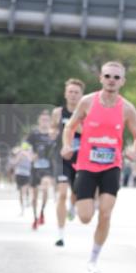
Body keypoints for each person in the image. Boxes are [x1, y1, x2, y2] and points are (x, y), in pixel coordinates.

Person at [61, 60, 136, 273]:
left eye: (116, 77)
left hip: (111, 165)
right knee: (85, 217)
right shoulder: (87, 102)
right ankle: (90, 199)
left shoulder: (127, 108)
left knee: (106, 215)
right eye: (108, 76)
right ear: (101, 78)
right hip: (87, 166)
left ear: (122, 82)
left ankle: (93, 259)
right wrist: (67, 145)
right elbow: (69, 127)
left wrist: (135, 151)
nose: (111, 80)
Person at [50, 78, 85, 246]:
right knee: (62, 194)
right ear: (65, 94)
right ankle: (60, 235)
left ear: (81, 95)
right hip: (62, 157)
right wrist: (53, 131)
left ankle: (73, 207)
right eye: (70, 92)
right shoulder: (58, 112)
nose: (73, 95)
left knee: (76, 193)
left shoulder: (86, 112)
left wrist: (79, 128)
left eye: (76, 92)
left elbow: (91, 133)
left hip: (80, 158)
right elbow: (51, 129)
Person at [27, 110, 55, 230]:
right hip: (35, 168)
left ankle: (42, 211)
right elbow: (25, 147)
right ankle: (35, 217)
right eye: (43, 120)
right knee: (34, 196)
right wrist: (30, 156)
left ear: (50, 122)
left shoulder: (53, 134)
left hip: (48, 168)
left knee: (45, 187)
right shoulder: (34, 134)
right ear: (39, 121)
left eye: (47, 120)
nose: (45, 122)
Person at [12, 143, 33, 214]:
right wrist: (19, 156)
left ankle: (27, 200)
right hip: (19, 174)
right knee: (21, 192)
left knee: (25, 190)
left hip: (27, 174)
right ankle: (22, 208)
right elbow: (14, 162)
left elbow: (31, 161)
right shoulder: (19, 154)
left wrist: (26, 154)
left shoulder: (30, 153)